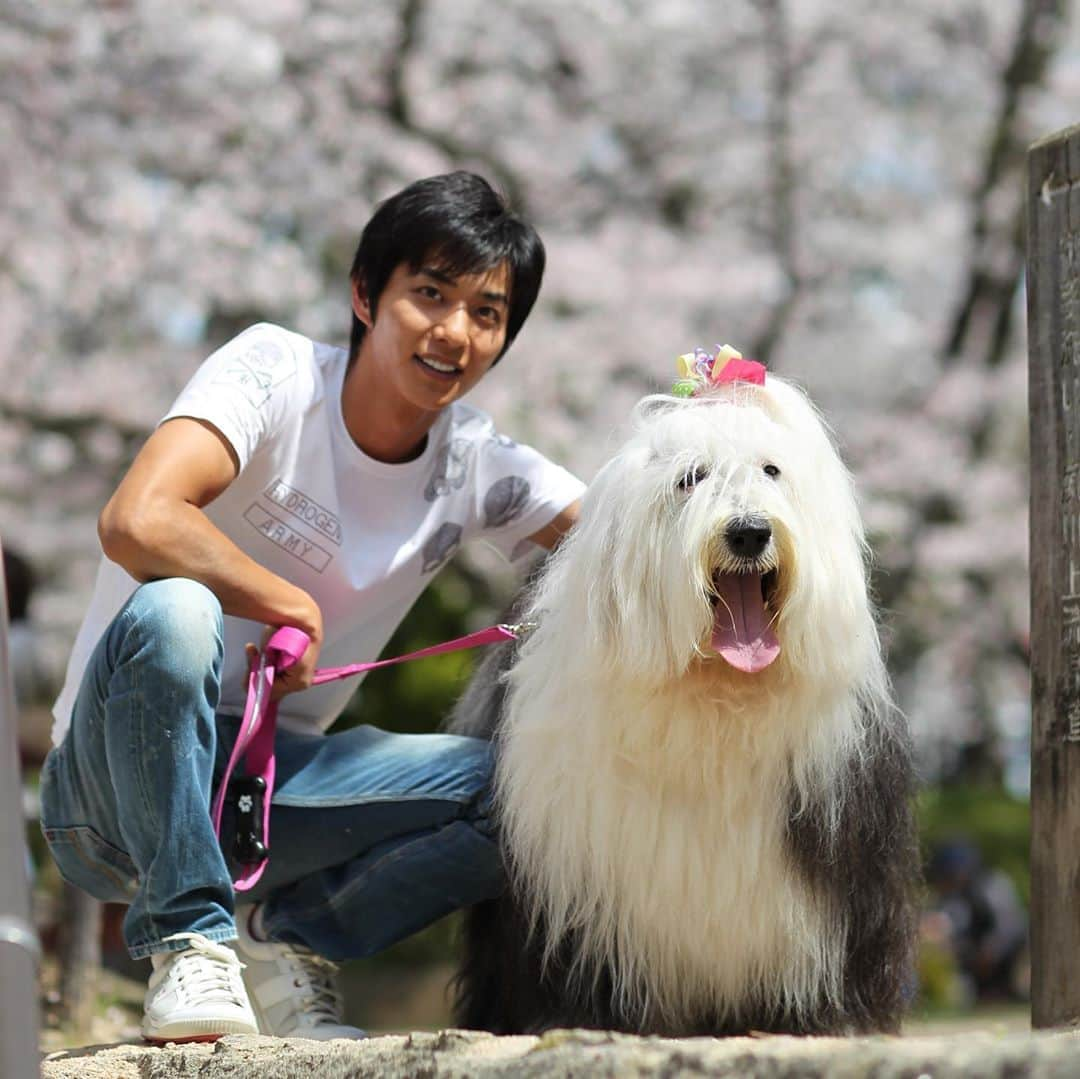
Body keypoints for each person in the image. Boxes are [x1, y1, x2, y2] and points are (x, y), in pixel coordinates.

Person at [39, 172, 584, 1043]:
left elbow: (629, 536)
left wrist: (728, 460)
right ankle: (186, 936)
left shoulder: (474, 463)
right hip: (105, 790)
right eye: (430, 294)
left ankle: (288, 934)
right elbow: (136, 518)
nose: (453, 331)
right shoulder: (274, 371)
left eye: (486, 312)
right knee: (178, 609)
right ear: (366, 295)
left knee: (535, 792)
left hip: (263, 796)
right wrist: (277, 596)